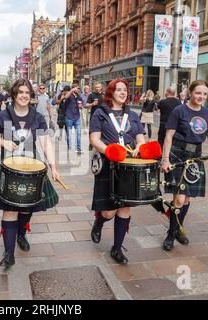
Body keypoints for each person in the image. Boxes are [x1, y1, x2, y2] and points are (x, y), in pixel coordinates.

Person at [0, 79, 60, 269]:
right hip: (8, 169)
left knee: (27, 208)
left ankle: (21, 233)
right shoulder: (3, 115)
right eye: (20, 92)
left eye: (27, 92)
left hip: (32, 168)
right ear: (13, 95)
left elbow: (46, 143)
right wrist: (3, 143)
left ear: (31, 96)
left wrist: (53, 166)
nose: (24, 95)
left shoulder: (38, 117)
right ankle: (9, 254)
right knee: (9, 209)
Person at [161, 80, 208, 251]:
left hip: (195, 157)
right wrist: (165, 159)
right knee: (179, 198)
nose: (201, 96)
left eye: (205, 94)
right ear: (190, 92)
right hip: (178, 154)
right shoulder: (179, 110)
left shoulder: (207, 114)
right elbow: (168, 136)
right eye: (198, 93)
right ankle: (171, 234)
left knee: (187, 199)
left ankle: (177, 229)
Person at [89, 78, 146, 264]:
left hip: (129, 166)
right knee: (108, 212)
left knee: (124, 207)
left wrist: (140, 147)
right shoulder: (100, 113)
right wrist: (111, 151)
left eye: (125, 90)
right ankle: (99, 221)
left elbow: (140, 138)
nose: (123, 92)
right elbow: (94, 139)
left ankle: (117, 248)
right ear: (111, 92)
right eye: (118, 89)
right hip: (108, 165)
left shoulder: (133, 114)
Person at [63, 83, 83, 153]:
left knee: (78, 133)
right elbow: (65, 97)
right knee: (69, 133)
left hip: (77, 117)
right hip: (69, 117)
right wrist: (71, 90)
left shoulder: (79, 96)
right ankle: (69, 147)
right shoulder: (70, 95)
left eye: (79, 88)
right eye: (78, 88)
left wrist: (80, 106)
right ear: (74, 88)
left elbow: (80, 104)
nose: (79, 90)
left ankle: (78, 148)